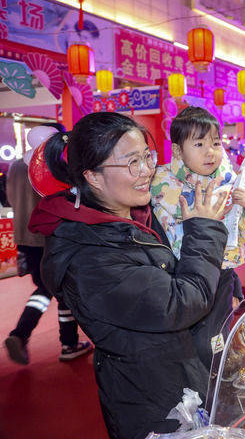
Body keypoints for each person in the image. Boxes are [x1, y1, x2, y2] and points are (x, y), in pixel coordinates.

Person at [28, 112, 231, 439]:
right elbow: (181, 303)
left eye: (147, 158)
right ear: (93, 176)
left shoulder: (135, 219)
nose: (147, 171)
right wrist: (205, 230)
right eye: (132, 162)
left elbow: (184, 281)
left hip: (181, 378)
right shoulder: (90, 254)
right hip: (154, 403)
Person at [151, 107, 245, 368]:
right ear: (179, 151)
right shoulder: (160, 182)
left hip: (221, 276)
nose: (210, 151)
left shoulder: (231, 182)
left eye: (216, 143)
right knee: (188, 346)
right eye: (199, 143)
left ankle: (215, 390)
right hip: (179, 277)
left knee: (217, 343)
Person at [4, 150, 92, 365]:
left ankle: (24, 335)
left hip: (24, 236)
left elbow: (7, 197)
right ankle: (66, 343)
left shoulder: (16, 166)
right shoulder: (49, 163)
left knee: (45, 288)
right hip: (49, 236)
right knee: (61, 289)